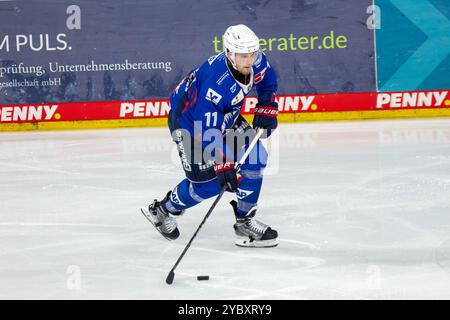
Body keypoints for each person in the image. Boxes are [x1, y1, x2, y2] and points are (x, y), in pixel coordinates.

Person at [144, 24, 279, 247]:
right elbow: (206, 131)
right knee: (208, 186)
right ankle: (163, 209)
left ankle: (244, 221)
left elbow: (267, 80)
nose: (249, 60)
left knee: (256, 160)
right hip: (190, 125)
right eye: (243, 56)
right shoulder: (214, 83)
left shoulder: (256, 60)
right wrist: (223, 163)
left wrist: (266, 106)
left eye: (252, 54)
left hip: (225, 116)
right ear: (229, 53)